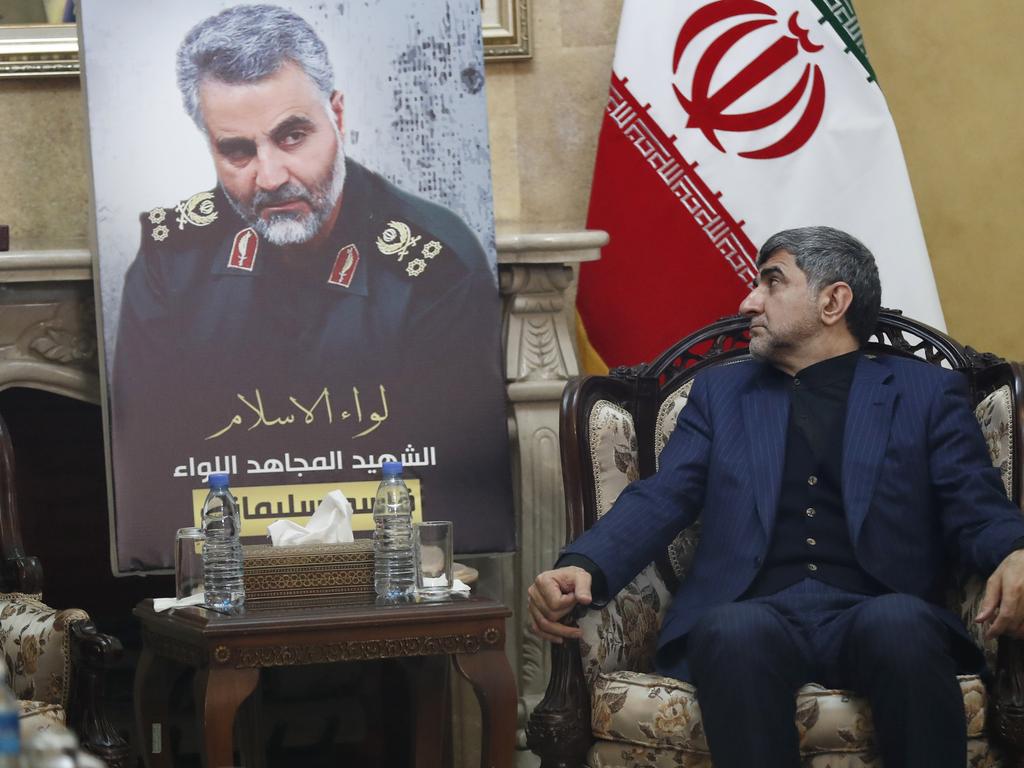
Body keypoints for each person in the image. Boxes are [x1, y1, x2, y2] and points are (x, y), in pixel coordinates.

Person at [528, 226, 1024, 767]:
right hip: (751, 610)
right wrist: (585, 565)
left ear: (833, 301)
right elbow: (663, 496)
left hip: (879, 606)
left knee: (900, 623)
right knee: (732, 628)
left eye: (771, 282)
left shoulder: (924, 393)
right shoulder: (721, 394)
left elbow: (974, 504)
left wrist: (1016, 552)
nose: (748, 302)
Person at [111, 4, 510, 568]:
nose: (269, 177)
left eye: (293, 135)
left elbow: (451, 475)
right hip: (224, 567)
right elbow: (150, 461)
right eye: (238, 150)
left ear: (337, 115)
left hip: (392, 571)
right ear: (211, 147)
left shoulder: (435, 264)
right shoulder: (171, 263)